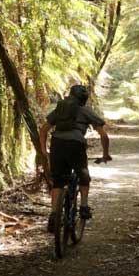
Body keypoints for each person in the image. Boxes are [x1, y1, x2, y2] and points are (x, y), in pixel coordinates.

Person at [39, 84, 111, 233]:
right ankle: (84, 207)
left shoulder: (60, 109)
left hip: (57, 144)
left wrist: (43, 150)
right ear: (84, 99)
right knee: (83, 175)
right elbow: (103, 135)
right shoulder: (85, 110)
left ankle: (54, 215)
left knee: (58, 182)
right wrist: (105, 154)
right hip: (75, 145)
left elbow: (44, 129)